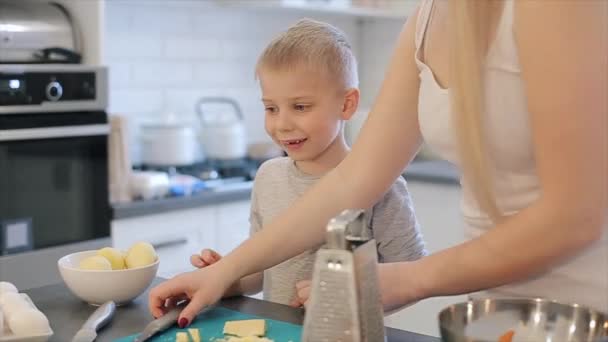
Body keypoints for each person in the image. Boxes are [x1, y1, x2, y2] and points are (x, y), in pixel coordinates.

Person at [150, 0, 607, 326]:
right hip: (494, 311)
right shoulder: (429, 17)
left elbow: (576, 217)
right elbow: (354, 179)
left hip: (585, 310)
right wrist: (223, 272)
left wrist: (408, 280)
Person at [189, 18, 426, 311]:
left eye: (300, 107)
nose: (282, 124)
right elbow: (264, 270)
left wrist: (352, 297)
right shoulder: (268, 176)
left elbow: (408, 279)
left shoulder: (382, 186)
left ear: (347, 104)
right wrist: (226, 278)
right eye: (271, 108)